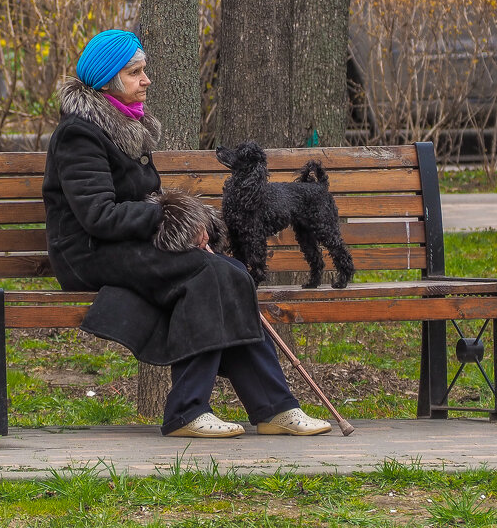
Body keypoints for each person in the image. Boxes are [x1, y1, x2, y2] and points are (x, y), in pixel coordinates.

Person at [42, 29, 332, 438]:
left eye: (144, 70)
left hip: (128, 246)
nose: (147, 80)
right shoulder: (80, 133)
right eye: (134, 72)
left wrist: (181, 226)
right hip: (89, 254)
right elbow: (98, 215)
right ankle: (186, 411)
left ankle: (273, 408)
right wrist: (170, 221)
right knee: (206, 275)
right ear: (107, 79)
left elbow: (141, 201)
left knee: (231, 273)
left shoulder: (125, 126)